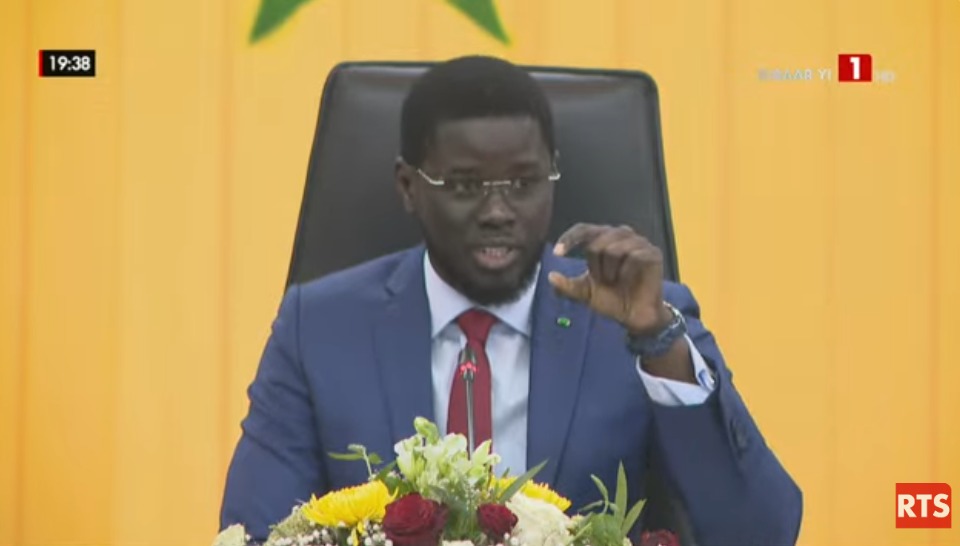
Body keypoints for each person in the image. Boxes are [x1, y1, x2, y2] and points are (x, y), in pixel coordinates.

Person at [220, 55, 802, 545]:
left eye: (523, 183)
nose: (497, 212)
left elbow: (761, 534)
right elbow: (255, 535)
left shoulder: (641, 324)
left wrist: (660, 344)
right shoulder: (320, 327)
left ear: (552, 176)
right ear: (409, 187)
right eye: (465, 185)